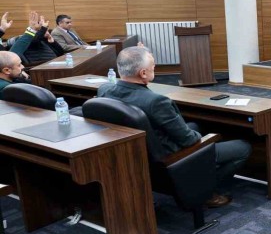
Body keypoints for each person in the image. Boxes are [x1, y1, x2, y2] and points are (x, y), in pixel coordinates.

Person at [97, 46, 252, 208]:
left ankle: (199, 172)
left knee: (195, 125)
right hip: (168, 157)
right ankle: (203, 190)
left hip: (138, 154)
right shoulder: (157, 102)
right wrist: (205, 139)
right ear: (143, 73)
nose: (154, 68)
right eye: (153, 66)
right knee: (243, 147)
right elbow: (189, 140)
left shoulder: (105, 90)